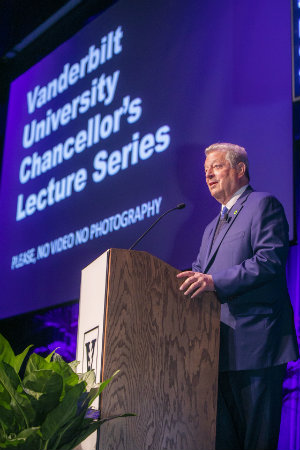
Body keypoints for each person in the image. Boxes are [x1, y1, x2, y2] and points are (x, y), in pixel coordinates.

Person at [177, 143, 299, 450]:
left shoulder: (263, 205)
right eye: (206, 171)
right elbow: (199, 273)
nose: (208, 175)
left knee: (257, 441)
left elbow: (269, 261)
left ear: (240, 169)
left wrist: (213, 281)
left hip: (258, 345)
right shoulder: (210, 228)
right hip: (218, 352)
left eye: (216, 167)